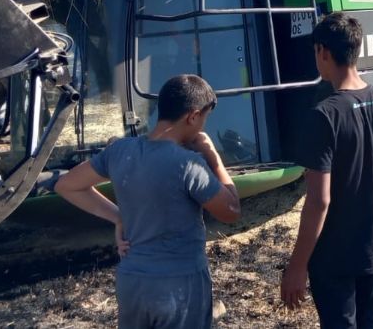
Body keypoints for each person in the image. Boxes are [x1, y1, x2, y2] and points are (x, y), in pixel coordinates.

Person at [55, 74, 241, 329]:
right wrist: (213, 157)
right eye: (204, 119)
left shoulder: (119, 151)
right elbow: (231, 211)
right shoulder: (189, 164)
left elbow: (67, 185)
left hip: (133, 283)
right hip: (180, 285)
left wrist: (118, 216)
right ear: (193, 116)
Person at [280, 12, 373, 329]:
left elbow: (319, 201)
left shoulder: (324, 115)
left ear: (322, 53)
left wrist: (297, 266)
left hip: (334, 253)